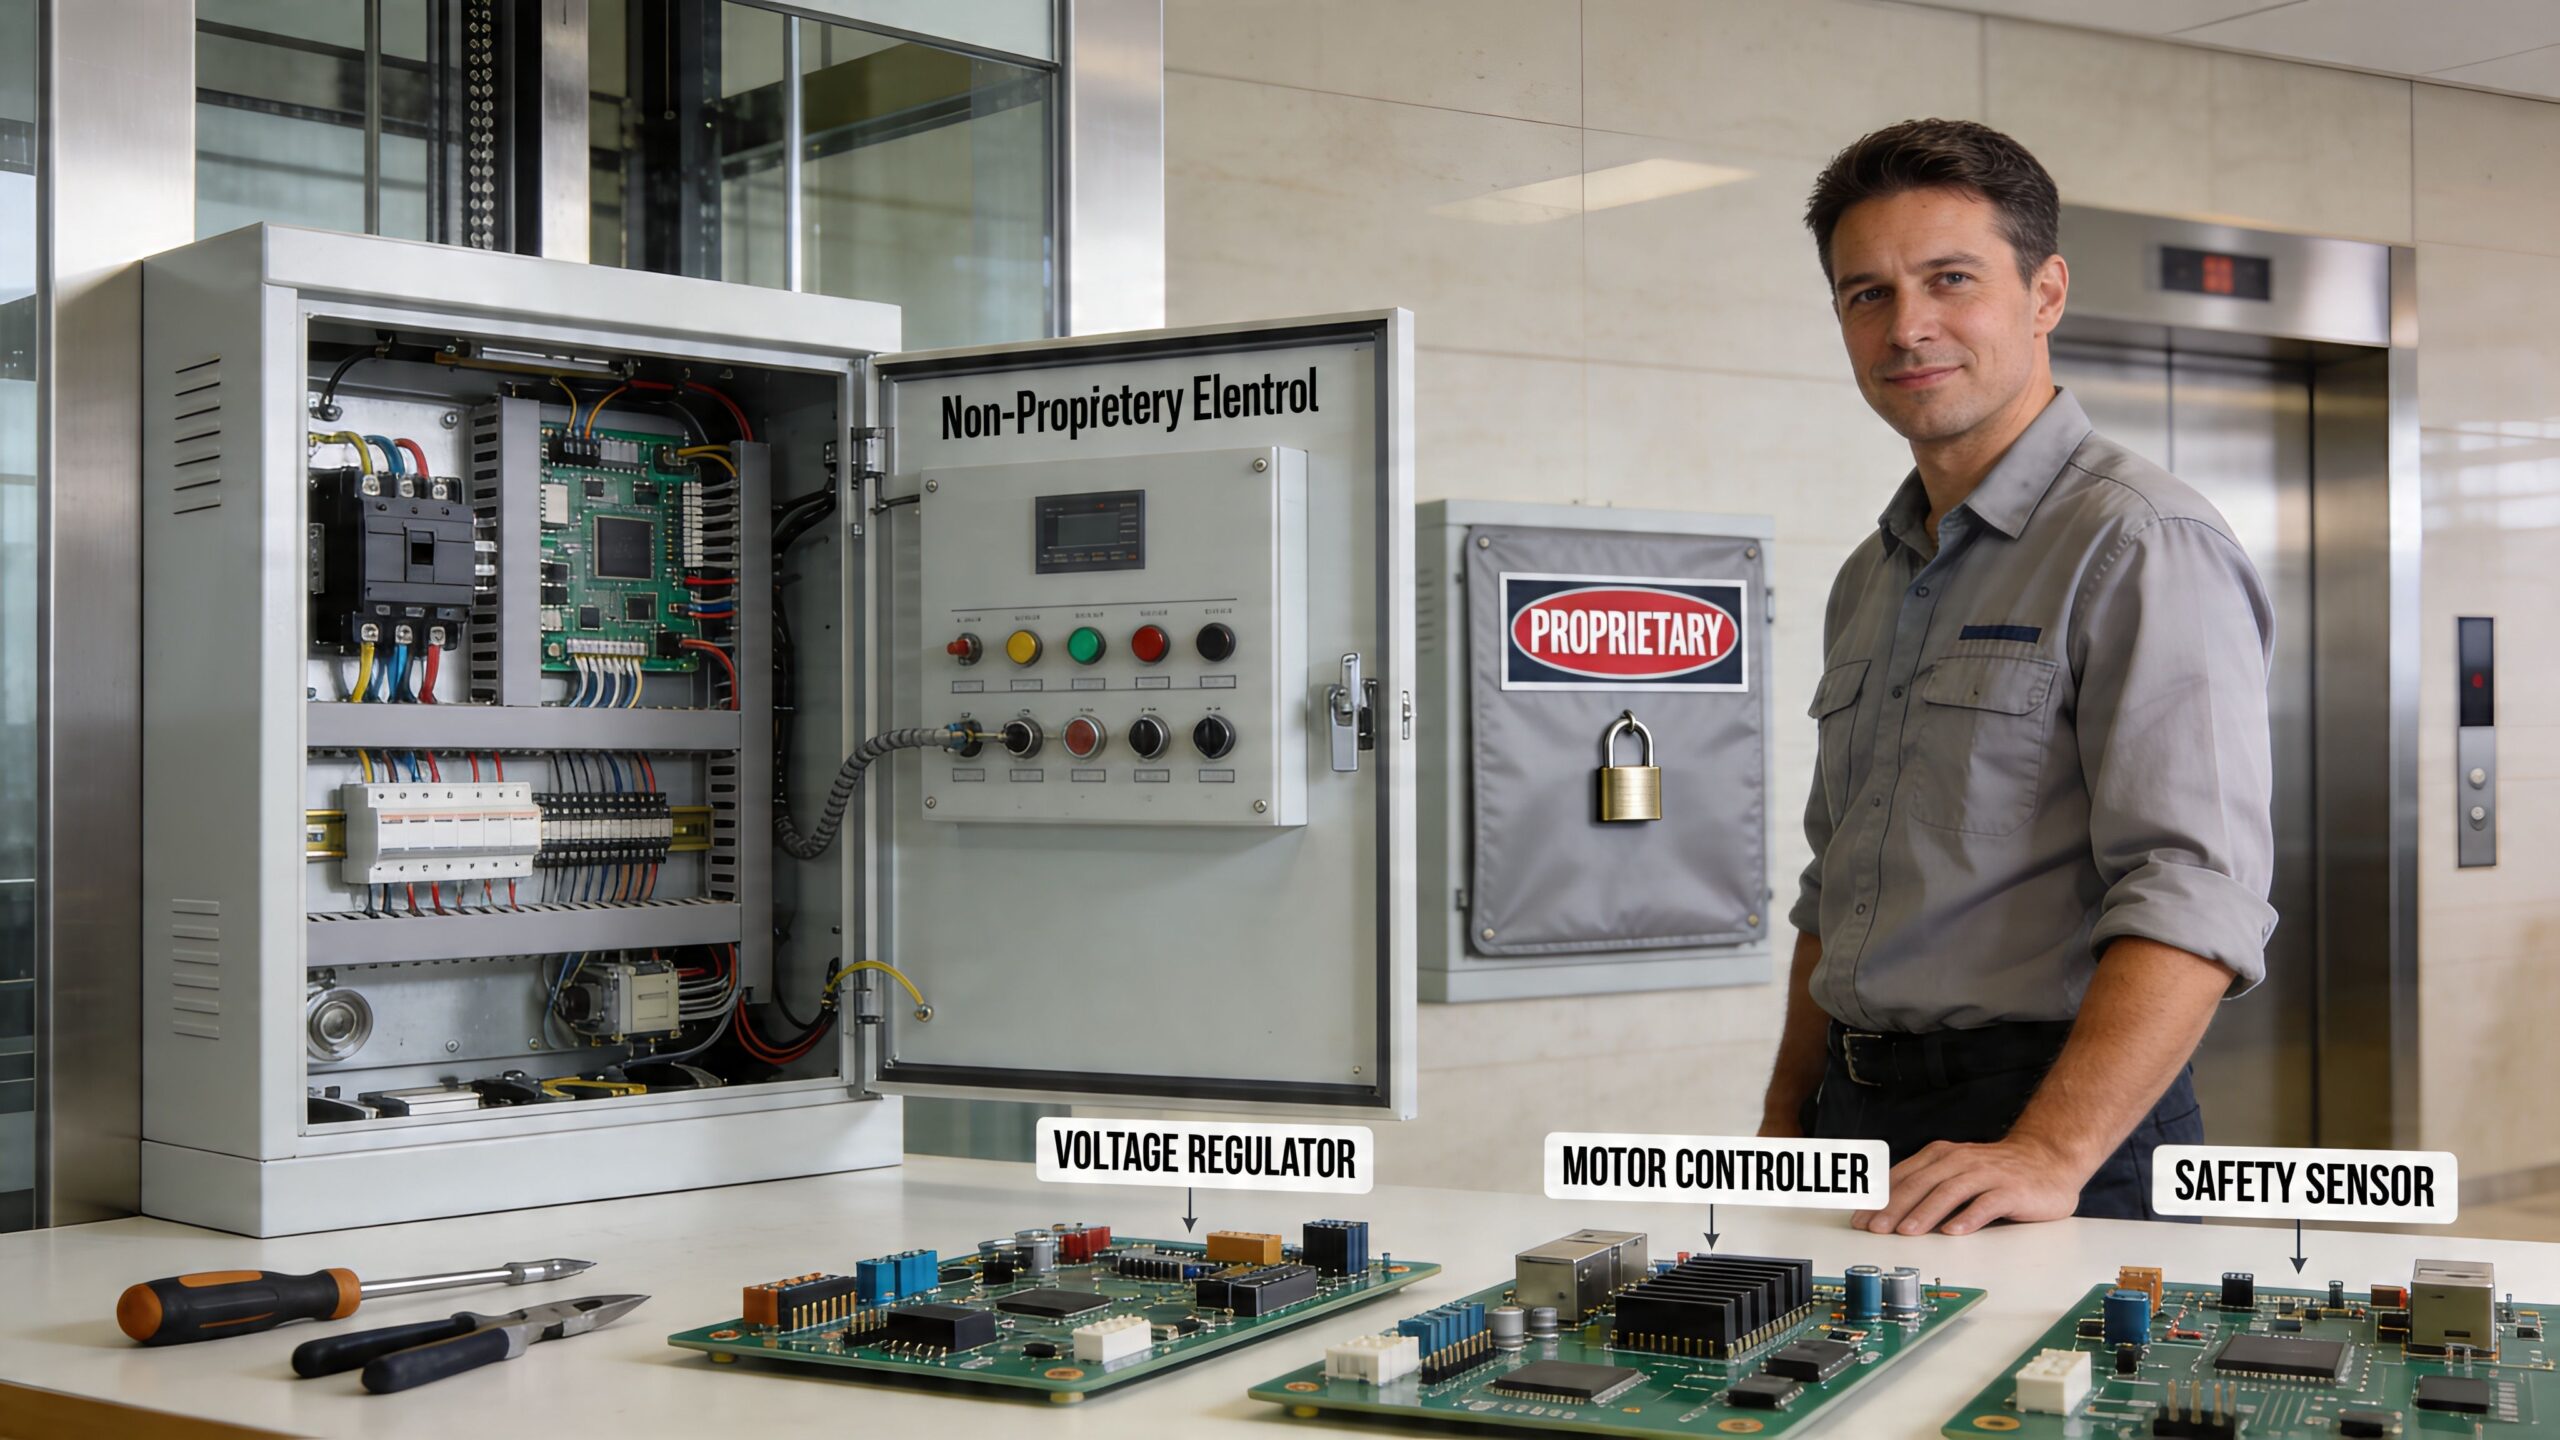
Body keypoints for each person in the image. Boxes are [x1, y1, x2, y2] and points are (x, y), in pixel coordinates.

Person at [1755, 119, 2278, 1233]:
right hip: (1852, 1119)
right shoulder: (1874, 574)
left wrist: (2050, 1151)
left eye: (1951, 279)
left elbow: (2193, 883)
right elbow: (1834, 880)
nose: (1908, 328)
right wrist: (1784, 1119)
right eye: (1866, 294)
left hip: (2052, 1124)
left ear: (2044, 294)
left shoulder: (2140, 542)